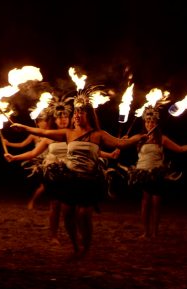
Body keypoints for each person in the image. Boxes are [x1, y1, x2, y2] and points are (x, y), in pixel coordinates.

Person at [11, 88, 144, 259]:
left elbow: (121, 143)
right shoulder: (69, 133)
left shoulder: (98, 135)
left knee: (83, 215)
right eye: (76, 112)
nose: (77, 115)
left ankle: (85, 248)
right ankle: (75, 246)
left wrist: (139, 137)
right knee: (67, 215)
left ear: (88, 114)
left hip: (89, 181)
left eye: (80, 112)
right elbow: (44, 132)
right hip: (70, 180)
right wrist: (23, 127)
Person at [124, 106, 187, 239]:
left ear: (156, 123)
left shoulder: (162, 139)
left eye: (152, 122)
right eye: (147, 121)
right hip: (143, 173)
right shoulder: (139, 137)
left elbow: (180, 149)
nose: (150, 123)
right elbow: (122, 144)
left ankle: (155, 232)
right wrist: (124, 139)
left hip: (157, 172)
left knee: (156, 202)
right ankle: (146, 232)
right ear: (144, 122)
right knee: (145, 201)